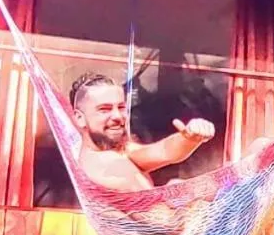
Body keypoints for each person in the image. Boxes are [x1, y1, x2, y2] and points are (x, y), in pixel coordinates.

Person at [70, 72, 216, 190]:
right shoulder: (109, 166)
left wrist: (190, 138)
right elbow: (165, 222)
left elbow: (163, 151)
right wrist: (184, 195)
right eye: (104, 109)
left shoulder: (114, 152)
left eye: (121, 108)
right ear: (79, 118)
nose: (117, 116)